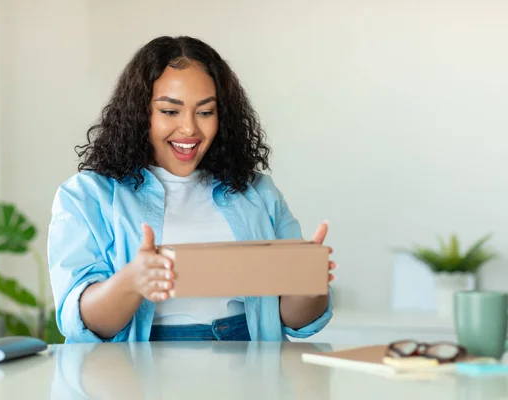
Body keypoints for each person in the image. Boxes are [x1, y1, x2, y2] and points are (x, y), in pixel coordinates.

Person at [47, 35, 336, 343]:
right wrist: (131, 282)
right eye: (170, 111)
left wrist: (308, 283)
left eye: (205, 112)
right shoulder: (86, 196)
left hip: (249, 359)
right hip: (141, 370)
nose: (190, 129)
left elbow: (296, 320)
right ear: (139, 113)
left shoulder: (257, 191)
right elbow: (80, 323)